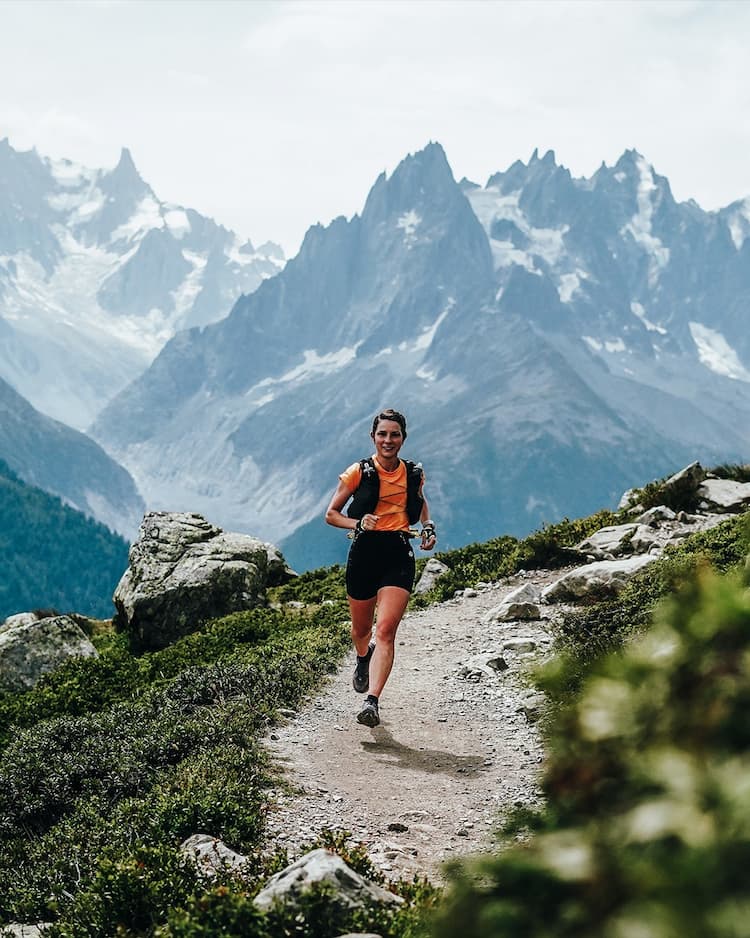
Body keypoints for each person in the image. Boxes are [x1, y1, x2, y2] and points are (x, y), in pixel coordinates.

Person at [325, 408, 437, 727]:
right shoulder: (358, 472)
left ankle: (371, 702)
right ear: (373, 437)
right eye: (382, 434)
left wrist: (427, 526)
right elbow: (331, 514)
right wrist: (359, 522)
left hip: (398, 552)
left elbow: (419, 501)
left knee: (385, 630)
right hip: (364, 552)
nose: (388, 440)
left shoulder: (413, 473)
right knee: (361, 631)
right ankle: (363, 658)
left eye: (394, 434)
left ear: (403, 438)